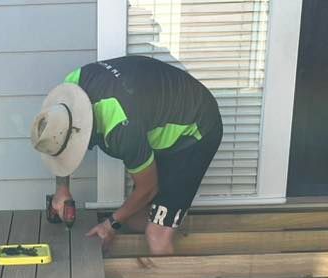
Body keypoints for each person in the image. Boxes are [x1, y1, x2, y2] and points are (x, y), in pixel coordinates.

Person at [29, 55, 222, 256]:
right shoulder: (71, 87)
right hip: (164, 110)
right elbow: (60, 141)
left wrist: (109, 224)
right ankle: (171, 218)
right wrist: (62, 188)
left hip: (196, 130)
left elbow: (148, 188)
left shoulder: (120, 129)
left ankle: (169, 265)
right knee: (132, 219)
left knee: (156, 235)